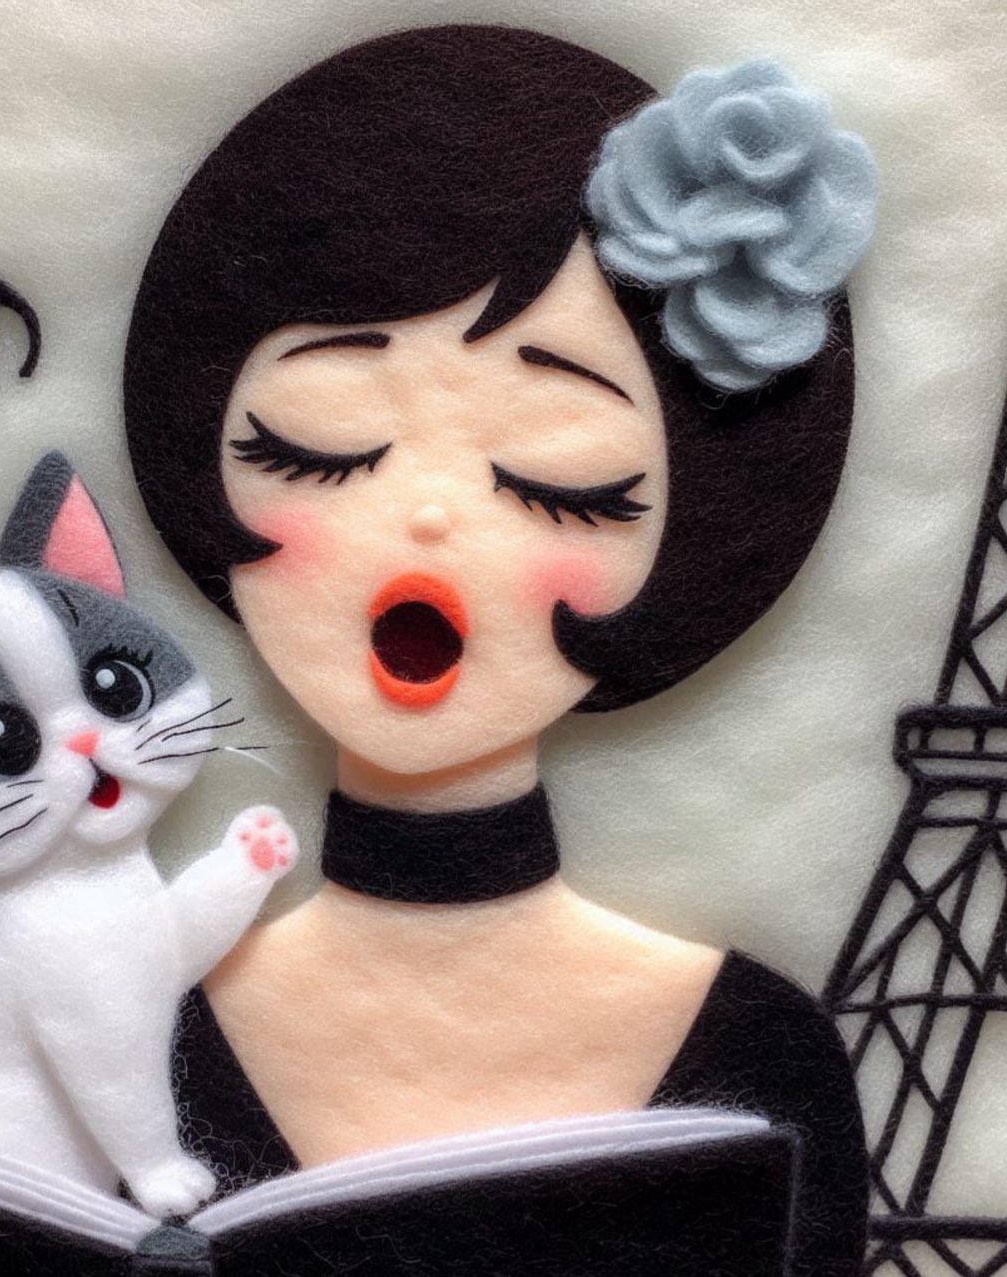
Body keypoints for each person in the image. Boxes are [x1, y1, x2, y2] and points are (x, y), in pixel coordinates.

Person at [125, 25, 874, 1273]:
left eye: (551, 477)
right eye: (319, 444)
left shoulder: (758, 1056)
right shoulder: (130, 1042)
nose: (427, 517)